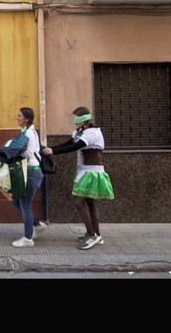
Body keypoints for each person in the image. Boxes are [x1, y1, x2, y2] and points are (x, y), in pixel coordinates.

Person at [42, 106, 114, 250]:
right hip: (84, 171)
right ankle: (95, 235)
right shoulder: (80, 132)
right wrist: (51, 149)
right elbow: (69, 143)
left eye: (76, 118)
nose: (74, 121)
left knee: (79, 203)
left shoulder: (92, 133)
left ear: (84, 119)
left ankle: (92, 235)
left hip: (92, 172)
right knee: (91, 203)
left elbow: (76, 146)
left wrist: (54, 151)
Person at [9, 107, 48, 248]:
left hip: (31, 172)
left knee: (25, 205)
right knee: (16, 202)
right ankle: (37, 225)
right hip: (30, 171)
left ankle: (27, 238)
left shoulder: (29, 134)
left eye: (19, 116)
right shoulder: (27, 132)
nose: (17, 117)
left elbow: (30, 153)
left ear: (26, 118)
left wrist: (14, 153)